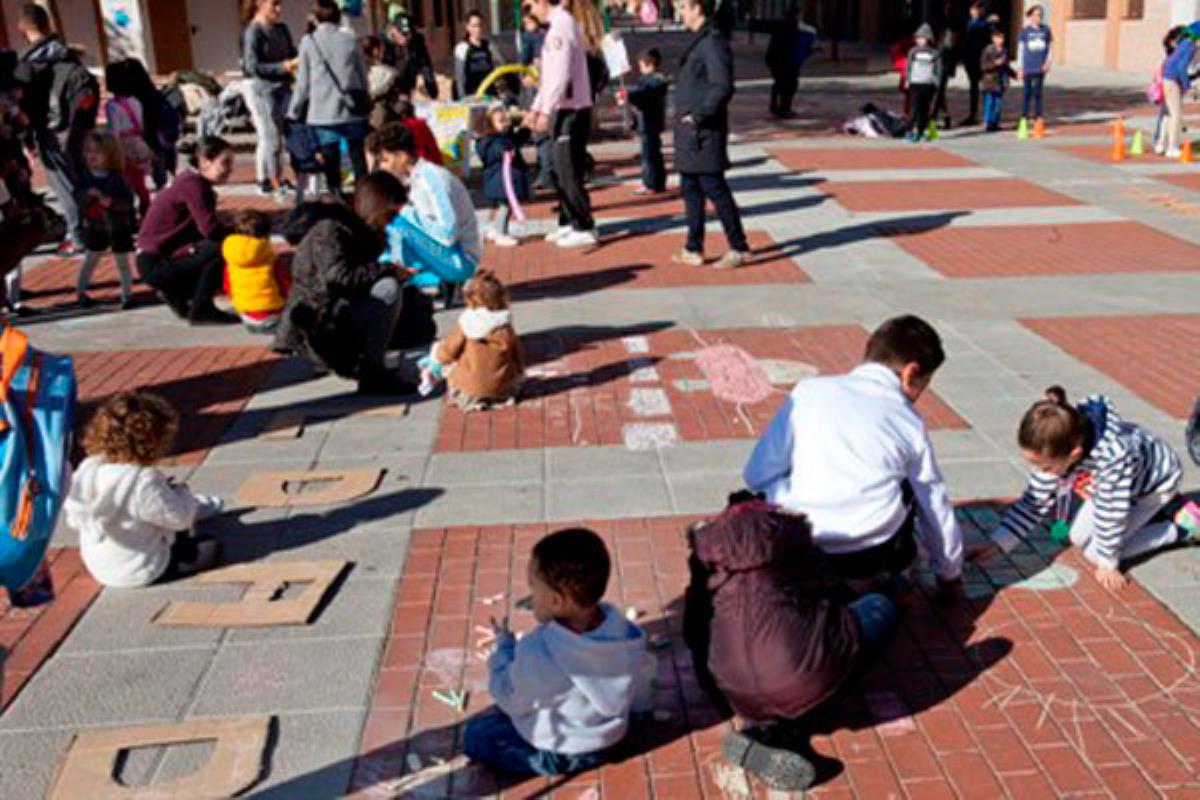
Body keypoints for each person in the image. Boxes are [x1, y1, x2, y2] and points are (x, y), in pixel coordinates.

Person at [684, 496, 893, 792]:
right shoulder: (791, 537)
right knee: (879, 607)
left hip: (733, 686)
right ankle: (791, 728)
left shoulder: (705, 552)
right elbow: (833, 593)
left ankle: (768, 730)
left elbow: (694, 626)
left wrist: (714, 685)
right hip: (798, 677)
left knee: (784, 669)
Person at [743, 315, 964, 590]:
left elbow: (756, 475)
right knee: (911, 485)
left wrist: (797, 491)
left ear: (870, 345)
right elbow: (934, 501)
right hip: (869, 550)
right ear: (910, 373)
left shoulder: (808, 392)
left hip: (803, 540)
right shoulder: (909, 420)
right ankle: (891, 576)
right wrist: (949, 573)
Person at [464, 527, 654, 776]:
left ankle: (552, 763)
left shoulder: (540, 650)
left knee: (477, 735)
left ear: (555, 600)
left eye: (533, 589)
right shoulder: (623, 630)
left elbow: (511, 698)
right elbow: (641, 680)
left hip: (563, 750)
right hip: (614, 732)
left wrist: (503, 651)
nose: (531, 596)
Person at [975, 387, 1197, 591]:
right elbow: (1034, 502)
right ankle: (1154, 515)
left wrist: (1109, 563)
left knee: (1096, 553)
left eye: (1045, 466)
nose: (1041, 472)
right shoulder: (1064, 439)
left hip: (1154, 484)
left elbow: (1112, 515)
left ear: (1073, 454)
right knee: (1077, 536)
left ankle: (1182, 526)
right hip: (1114, 481)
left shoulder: (1114, 458)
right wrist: (999, 542)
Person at [64, 392, 223, 589]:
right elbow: (179, 518)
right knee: (210, 547)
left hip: (100, 566)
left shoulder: (90, 469)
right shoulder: (143, 481)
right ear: (154, 442)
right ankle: (201, 508)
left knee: (162, 515)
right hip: (141, 569)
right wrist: (182, 493)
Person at [274, 172, 411, 393]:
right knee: (388, 290)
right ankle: (372, 374)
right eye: (391, 214)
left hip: (332, 311)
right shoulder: (330, 228)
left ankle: (365, 362)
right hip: (320, 321)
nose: (392, 221)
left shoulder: (355, 227)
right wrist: (390, 270)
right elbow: (338, 278)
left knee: (410, 309)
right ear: (377, 206)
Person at [671, 0, 749, 270]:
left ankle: (738, 246)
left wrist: (699, 115)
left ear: (697, 9)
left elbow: (723, 86)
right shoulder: (700, 41)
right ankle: (694, 247)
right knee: (691, 189)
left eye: (684, 7)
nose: (681, 12)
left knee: (714, 188)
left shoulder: (712, 42)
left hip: (703, 132)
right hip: (689, 134)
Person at [14, 3, 97, 255]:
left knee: (63, 185)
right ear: (47, 23)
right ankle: (96, 226)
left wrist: (26, 141)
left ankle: (77, 237)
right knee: (82, 177)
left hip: (49, 131)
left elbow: (22, 108)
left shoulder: (26, 66)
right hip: (76, 127)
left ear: (22, 28)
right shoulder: (67, 54)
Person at [136, 137, 238, 325]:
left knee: (211, 248)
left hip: (153, 258)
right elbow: (211, 230)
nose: (230, 170)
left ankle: (180, 295)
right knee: (225, 246)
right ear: (205, 161)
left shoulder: (188, 180)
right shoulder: (194, 185)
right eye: (225, 163)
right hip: (156, 261)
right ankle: (201, 308)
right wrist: (238, 229)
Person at [372, 123, 480, 300]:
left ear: (401, 156)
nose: (383, 167)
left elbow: (448, 233)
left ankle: (411, 281)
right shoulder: (417, 180)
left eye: (385, 160)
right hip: (449, 254)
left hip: (460, 260)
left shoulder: (431, 179)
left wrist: (406, 213)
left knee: (396, 224)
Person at [526, 0, 597, 249]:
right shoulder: (556, 27)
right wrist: (537, 107)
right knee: (560, 168)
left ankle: (584, 225)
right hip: (563, 107)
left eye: (531, 4)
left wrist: (545, 111)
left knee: (568, 169)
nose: (529, 9)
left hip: (571, 109)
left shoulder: (561, 27)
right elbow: (548, 78)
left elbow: (559, 76)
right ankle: (568, 220)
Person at [290, 0, 370, 198]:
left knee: (330, 157)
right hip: (352, 109)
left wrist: (294, 110)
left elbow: (303, 83)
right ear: (337, 17)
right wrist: (365, 99)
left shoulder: (309, 42)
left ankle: (336, 197)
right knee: (357, 156)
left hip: (323, 112)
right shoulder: (351, 40)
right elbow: (362, 74)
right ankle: (363, 196)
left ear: (316, 18)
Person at [420, 269, 524, 409]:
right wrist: (518, 373)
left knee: (448, 367)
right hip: (502, 390)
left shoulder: (466, 322)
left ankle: (469, 397)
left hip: (469, 390)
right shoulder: (504, 324)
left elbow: (448, 351)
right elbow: (517, 355)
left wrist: (436, 359)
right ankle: (494, 394)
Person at [241, 0, 297, 199]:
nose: (279, 9)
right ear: (259, 4)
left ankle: (274, 178)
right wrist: (282, 67)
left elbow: (292, 53)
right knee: (270, 136)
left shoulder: (282, 29)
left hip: (282, 87)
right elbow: (252, 66)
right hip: (262, 89)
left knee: (278, 136)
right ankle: (272, 182)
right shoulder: (253, 32)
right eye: (274, 4)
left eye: (280, 4)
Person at [75, 132, 136, 309]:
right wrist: (87, 195)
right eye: (88, 151)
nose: (92, 155)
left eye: (98, 151)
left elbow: (128, 201)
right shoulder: (85, 176)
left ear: (110, 155)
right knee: (90, 260)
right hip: (96, 225)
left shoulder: (117, 178)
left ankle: (127, 294)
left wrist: (111, 201)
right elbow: (77, 196)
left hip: (118, 226)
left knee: (122, 261)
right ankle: (80, 292)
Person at [224, 209, 289, 332]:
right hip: (272, 314)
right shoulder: (271, 260)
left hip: (246, 315)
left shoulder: (232, 258)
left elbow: (228, 287)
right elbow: (286, 287)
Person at [476, 103, 531, 247]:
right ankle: (501, 232)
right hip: (499, 180)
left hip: (505, 180)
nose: (505, 124)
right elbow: (493, 151)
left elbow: (517, 141)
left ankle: (497, 229)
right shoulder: (490, 140)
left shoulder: (505, 137)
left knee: (506, 206)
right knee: (505, 207)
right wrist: (504, 151)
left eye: (505, 120)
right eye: (501, 121)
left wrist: (525, 128)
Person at [103, 62, 154, 214]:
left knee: (125, 184)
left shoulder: (111, 106)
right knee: (140, 183)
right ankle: (147, 209)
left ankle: (129, 215)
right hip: (138, 144)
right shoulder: (135, 101)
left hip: (123, 147)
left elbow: (115, 132)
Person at [618, 48, 668, 196]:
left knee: (649, 155)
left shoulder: (652, 81)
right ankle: (657, 182)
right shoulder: (657, 80)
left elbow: (644, 97)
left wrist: (629, 96)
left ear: (648, 65)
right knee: (654, 153)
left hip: (648, 122)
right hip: (652, 121)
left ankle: (650, 183)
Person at [765, 3, 809, 120]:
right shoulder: (792, 27)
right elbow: (792, 44)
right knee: (789, 84)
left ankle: (777, 107)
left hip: (776, 59)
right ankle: (783, 108)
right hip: (785, 61)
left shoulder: (782, 25)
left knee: (780, 83)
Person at [383, 13, 438, 99]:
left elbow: (425, 65)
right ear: (394, 30)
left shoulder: (417, 40)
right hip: (389, 87)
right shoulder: (383, 44)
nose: (407, 38)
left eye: (409, 35)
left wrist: (432, 89)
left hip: (409, 83)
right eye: (403, 35)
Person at [1159, 26, 1194, 159]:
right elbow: (1181, 67)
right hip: (1172, 80)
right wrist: (1187, 85)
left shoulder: (1183, 44)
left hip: (1168, 78)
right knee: (1176, 114)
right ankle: (1172, 147)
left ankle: (1161, 144)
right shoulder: (1190, 46)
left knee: (1168, 114)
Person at [454, 10, 505, 99]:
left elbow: (501, 66)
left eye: (479, 25)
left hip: (490, 95)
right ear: (467, 27)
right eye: (473, 26)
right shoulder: (462, 48)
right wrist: (462, 99)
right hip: (471, 96)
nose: (477, 29)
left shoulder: (489, 46)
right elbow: (460, 78)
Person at [1018, 4, 1052, 129]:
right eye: (1036, 15)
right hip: (1028, 66)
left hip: (1040, 66)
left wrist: (1048, 62)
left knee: (1038, 93)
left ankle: (1038, 117)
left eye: (1040, 15)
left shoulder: (1045, 30)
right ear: (1030, 16)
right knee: (1027, 93)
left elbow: (1049, 47)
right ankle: (1024, 117)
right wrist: (1020, 68)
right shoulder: (1025, 31)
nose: (1038, 18)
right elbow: (1021, 50)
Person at [905, 23, 941, 142]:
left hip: (928, 83)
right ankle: (910, 129)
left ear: (928, 39)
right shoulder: (913, 51)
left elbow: (938, 68)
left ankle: (922, 131)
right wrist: (907, 79)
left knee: (925, 109)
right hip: (915, 83)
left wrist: (936, 81)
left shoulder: (934, 52)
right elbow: (908, 66)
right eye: (918, 38)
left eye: (922, 37)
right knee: (914, 108)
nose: (919, 40)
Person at [960, 1, 989, 126]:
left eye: (976, 10)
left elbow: (986, 42)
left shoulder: (984, 24)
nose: (973, 12)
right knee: (973, 88)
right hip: (970, 59)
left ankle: (987, 115)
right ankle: (973, 114)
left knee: (985, 87)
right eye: (972, 10)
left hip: (980, 59)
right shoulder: (968, 23)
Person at [932, 5, 958, 130]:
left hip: (943, 64)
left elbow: (949, 49)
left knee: (939, 92)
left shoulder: (949, 28)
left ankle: (934, 117)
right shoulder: (939, 23)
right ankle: (945, 117)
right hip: (941, 63)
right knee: (939, 93)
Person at [980, 25, 1010, 132]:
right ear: (993, 38)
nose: (1000, 40)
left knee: (998, 103)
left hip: (1001, 80)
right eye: (998, 38)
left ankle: (995, 122)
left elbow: (1006, 65)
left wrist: (1014, 74)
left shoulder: (1004, 50)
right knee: (989, 102)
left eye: (1002, 38)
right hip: (990, 81)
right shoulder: (988, 50)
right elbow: (983, 66)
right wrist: (994, 64)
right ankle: (987, 121)